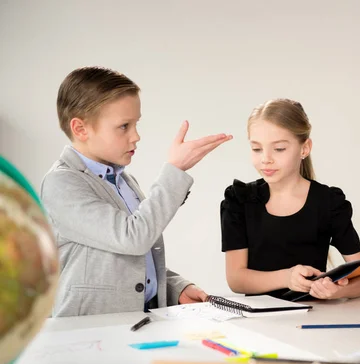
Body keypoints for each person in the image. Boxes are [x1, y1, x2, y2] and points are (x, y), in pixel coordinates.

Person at [41, 66, 232, 316]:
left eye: (136, 124)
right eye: (124, 126)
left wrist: (176, 288)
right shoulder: (62, 184)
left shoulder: (122, 180)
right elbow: (133, 238)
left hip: (135, 324)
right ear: (80, 129)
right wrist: (175, 169)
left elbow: (130, 260)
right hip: (88, 332)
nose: (136, 136)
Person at [220, 98, 360, 300]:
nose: (266, 158)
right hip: (258, 322)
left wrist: (337, 291)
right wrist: (287, 278)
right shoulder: (239, 200)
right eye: (257, 149)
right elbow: (236, 279)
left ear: (305, 148)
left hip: (315, 319)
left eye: (279, 149)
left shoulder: (329, 203)